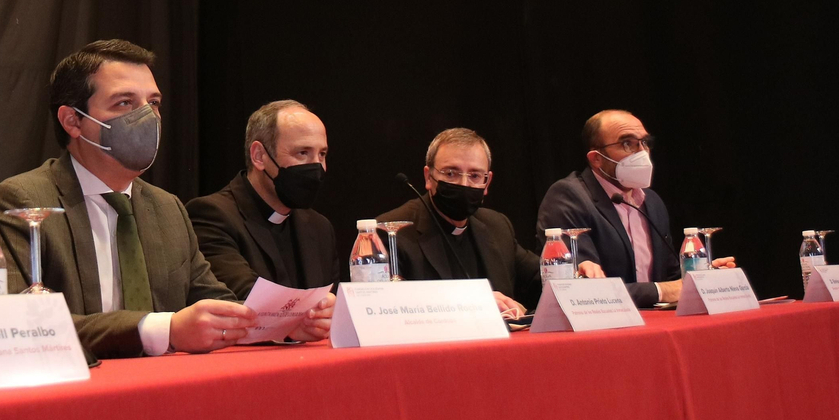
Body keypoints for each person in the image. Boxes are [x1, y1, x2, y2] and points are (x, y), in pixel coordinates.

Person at [0, 41, 332, 358]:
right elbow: (20, 323)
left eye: (153, 103)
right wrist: (165, 329)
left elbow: (215, 302)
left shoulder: (166, 208)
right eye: (125, 103)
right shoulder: (21, 200)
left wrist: (282, 326)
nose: (148, 118)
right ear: (73, 120)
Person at [376, 128, 601, 316]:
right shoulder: (392, 231)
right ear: (428, 177)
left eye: (475, 176)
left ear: (487, 182)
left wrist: (574, 276)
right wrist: (475, 302)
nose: (463, 184)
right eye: (451, 173)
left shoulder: (496, 225)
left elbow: (539, 281)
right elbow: (390, 308)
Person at [534, 109, 734, 308]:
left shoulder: (651, 201)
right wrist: (662, 291)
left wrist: (704, 278)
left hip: (655, 323)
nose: (641, 153)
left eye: (644, 143)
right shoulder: (568, 197)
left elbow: (672, 276)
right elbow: (586, 288)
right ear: (596, 158)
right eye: (627, 144)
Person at [187, 100, 339, 298]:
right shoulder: (212, 216)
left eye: (322, 154)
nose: (317, 167)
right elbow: (247, 297)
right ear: (259, 156)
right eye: (302, 153)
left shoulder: (319, 227)